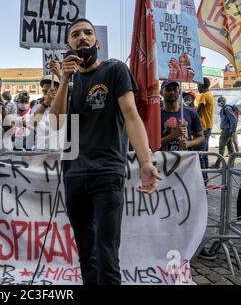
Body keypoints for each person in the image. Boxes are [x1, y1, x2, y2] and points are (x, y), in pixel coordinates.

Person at [50, 18, 160, 285]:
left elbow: (132, 116)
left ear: (97, 42)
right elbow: (56, 122)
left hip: (107, 173)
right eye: (75, 34)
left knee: (106, 254)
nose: (82, 37)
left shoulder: (115, 70)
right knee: (87, 254)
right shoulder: (68, 81)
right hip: (74, 175)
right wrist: (63, 80)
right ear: (68, 44)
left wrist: (146, 161)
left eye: (88, 33)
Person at [160, 81, 204, 152]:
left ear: (179, 92)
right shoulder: (156, 116)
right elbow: (152, 144)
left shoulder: (191, 113)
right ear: (161, 92)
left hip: (186, 159)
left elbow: (201, 137)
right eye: (168, 89)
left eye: (174, 89)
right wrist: (173, 135)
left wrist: (189, 143)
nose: (172, 92)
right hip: (165, 160)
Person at [32, 75, 61, 151]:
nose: (47, 94)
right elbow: (31, 125)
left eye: (51, 91)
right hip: (39, 153)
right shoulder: (37, 107)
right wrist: (45, 104)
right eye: (44, 91)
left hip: (58, 154)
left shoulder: (64, 107)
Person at [197, 78, 214, 179]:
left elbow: (198, 111)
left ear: (202, 85)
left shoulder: (204, 95)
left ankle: (203, 182)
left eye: (198, 85)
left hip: (203, 129)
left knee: (200, 156)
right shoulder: (210, 95)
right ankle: (206, 181)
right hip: (208, 128)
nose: (197, 87)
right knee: (205, 155)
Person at [213, 96, 238, 168]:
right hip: (227, 130)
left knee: (221, 147)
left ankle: (217, 164)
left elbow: (234, 120)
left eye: (219, 101)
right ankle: (231, 166)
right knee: (230, 149)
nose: (218, 103)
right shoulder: (225, 108)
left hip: (226, 131)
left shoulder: (227, 109)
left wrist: (232, 130)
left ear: (222, 102)